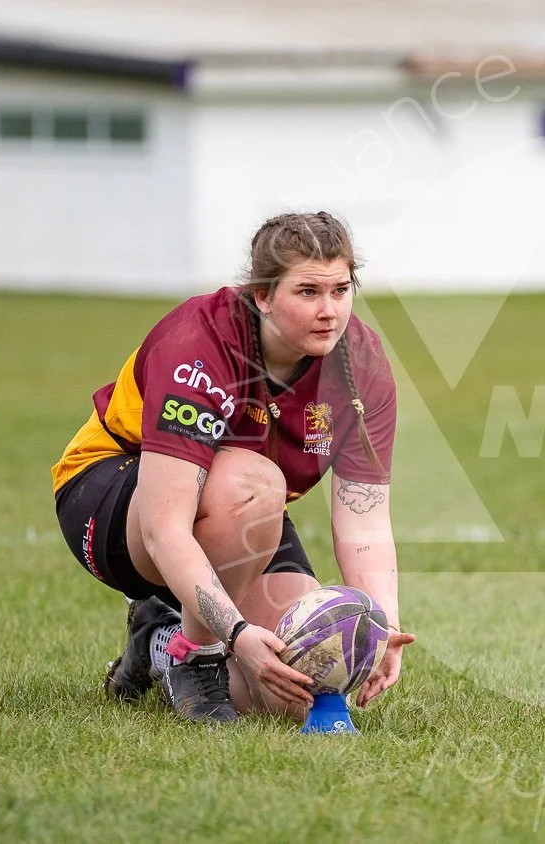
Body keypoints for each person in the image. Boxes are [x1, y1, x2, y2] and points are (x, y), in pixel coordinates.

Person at [51, 211, 415, 723]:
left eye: (340, 290)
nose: (330, 311)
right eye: (308, 292)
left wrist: (382, 628)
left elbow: (365, 524)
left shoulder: (361, 364)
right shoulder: (198, 342)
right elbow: (162, 528)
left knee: (295, 685)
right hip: (118, 498)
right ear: (263, 296)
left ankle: (157, 640)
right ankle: (194, 655)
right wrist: (236, 635)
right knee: (255, 483)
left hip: (243, 513)